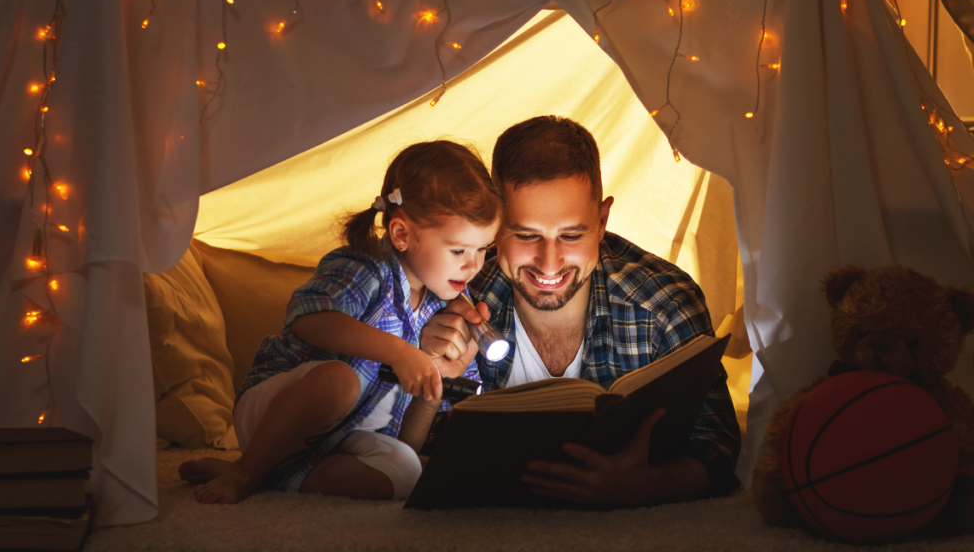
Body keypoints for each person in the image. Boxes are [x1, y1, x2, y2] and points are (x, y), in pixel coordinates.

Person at [420, 116, 742, 506]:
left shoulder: (664, 302)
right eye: (526, 235)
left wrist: (650, 485)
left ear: (602, 220)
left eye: (571, 235)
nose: (549, 263)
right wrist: (437, 378)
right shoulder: (456, 294)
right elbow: (402, 451)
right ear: (494, 223)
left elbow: (718, 443)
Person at [179, 141, 501, 504]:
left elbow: (405, 442)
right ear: (401, 235)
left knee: (406, 471)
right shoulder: (365, 267)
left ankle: (272, 473)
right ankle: (245, 470)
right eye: (459, 250)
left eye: (483, 249)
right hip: (276, 414)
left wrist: (437, 376)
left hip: (342, 437)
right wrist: (399, 352)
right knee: (339, 381)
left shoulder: (448, 309)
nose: (473, 265)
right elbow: (307, 319)